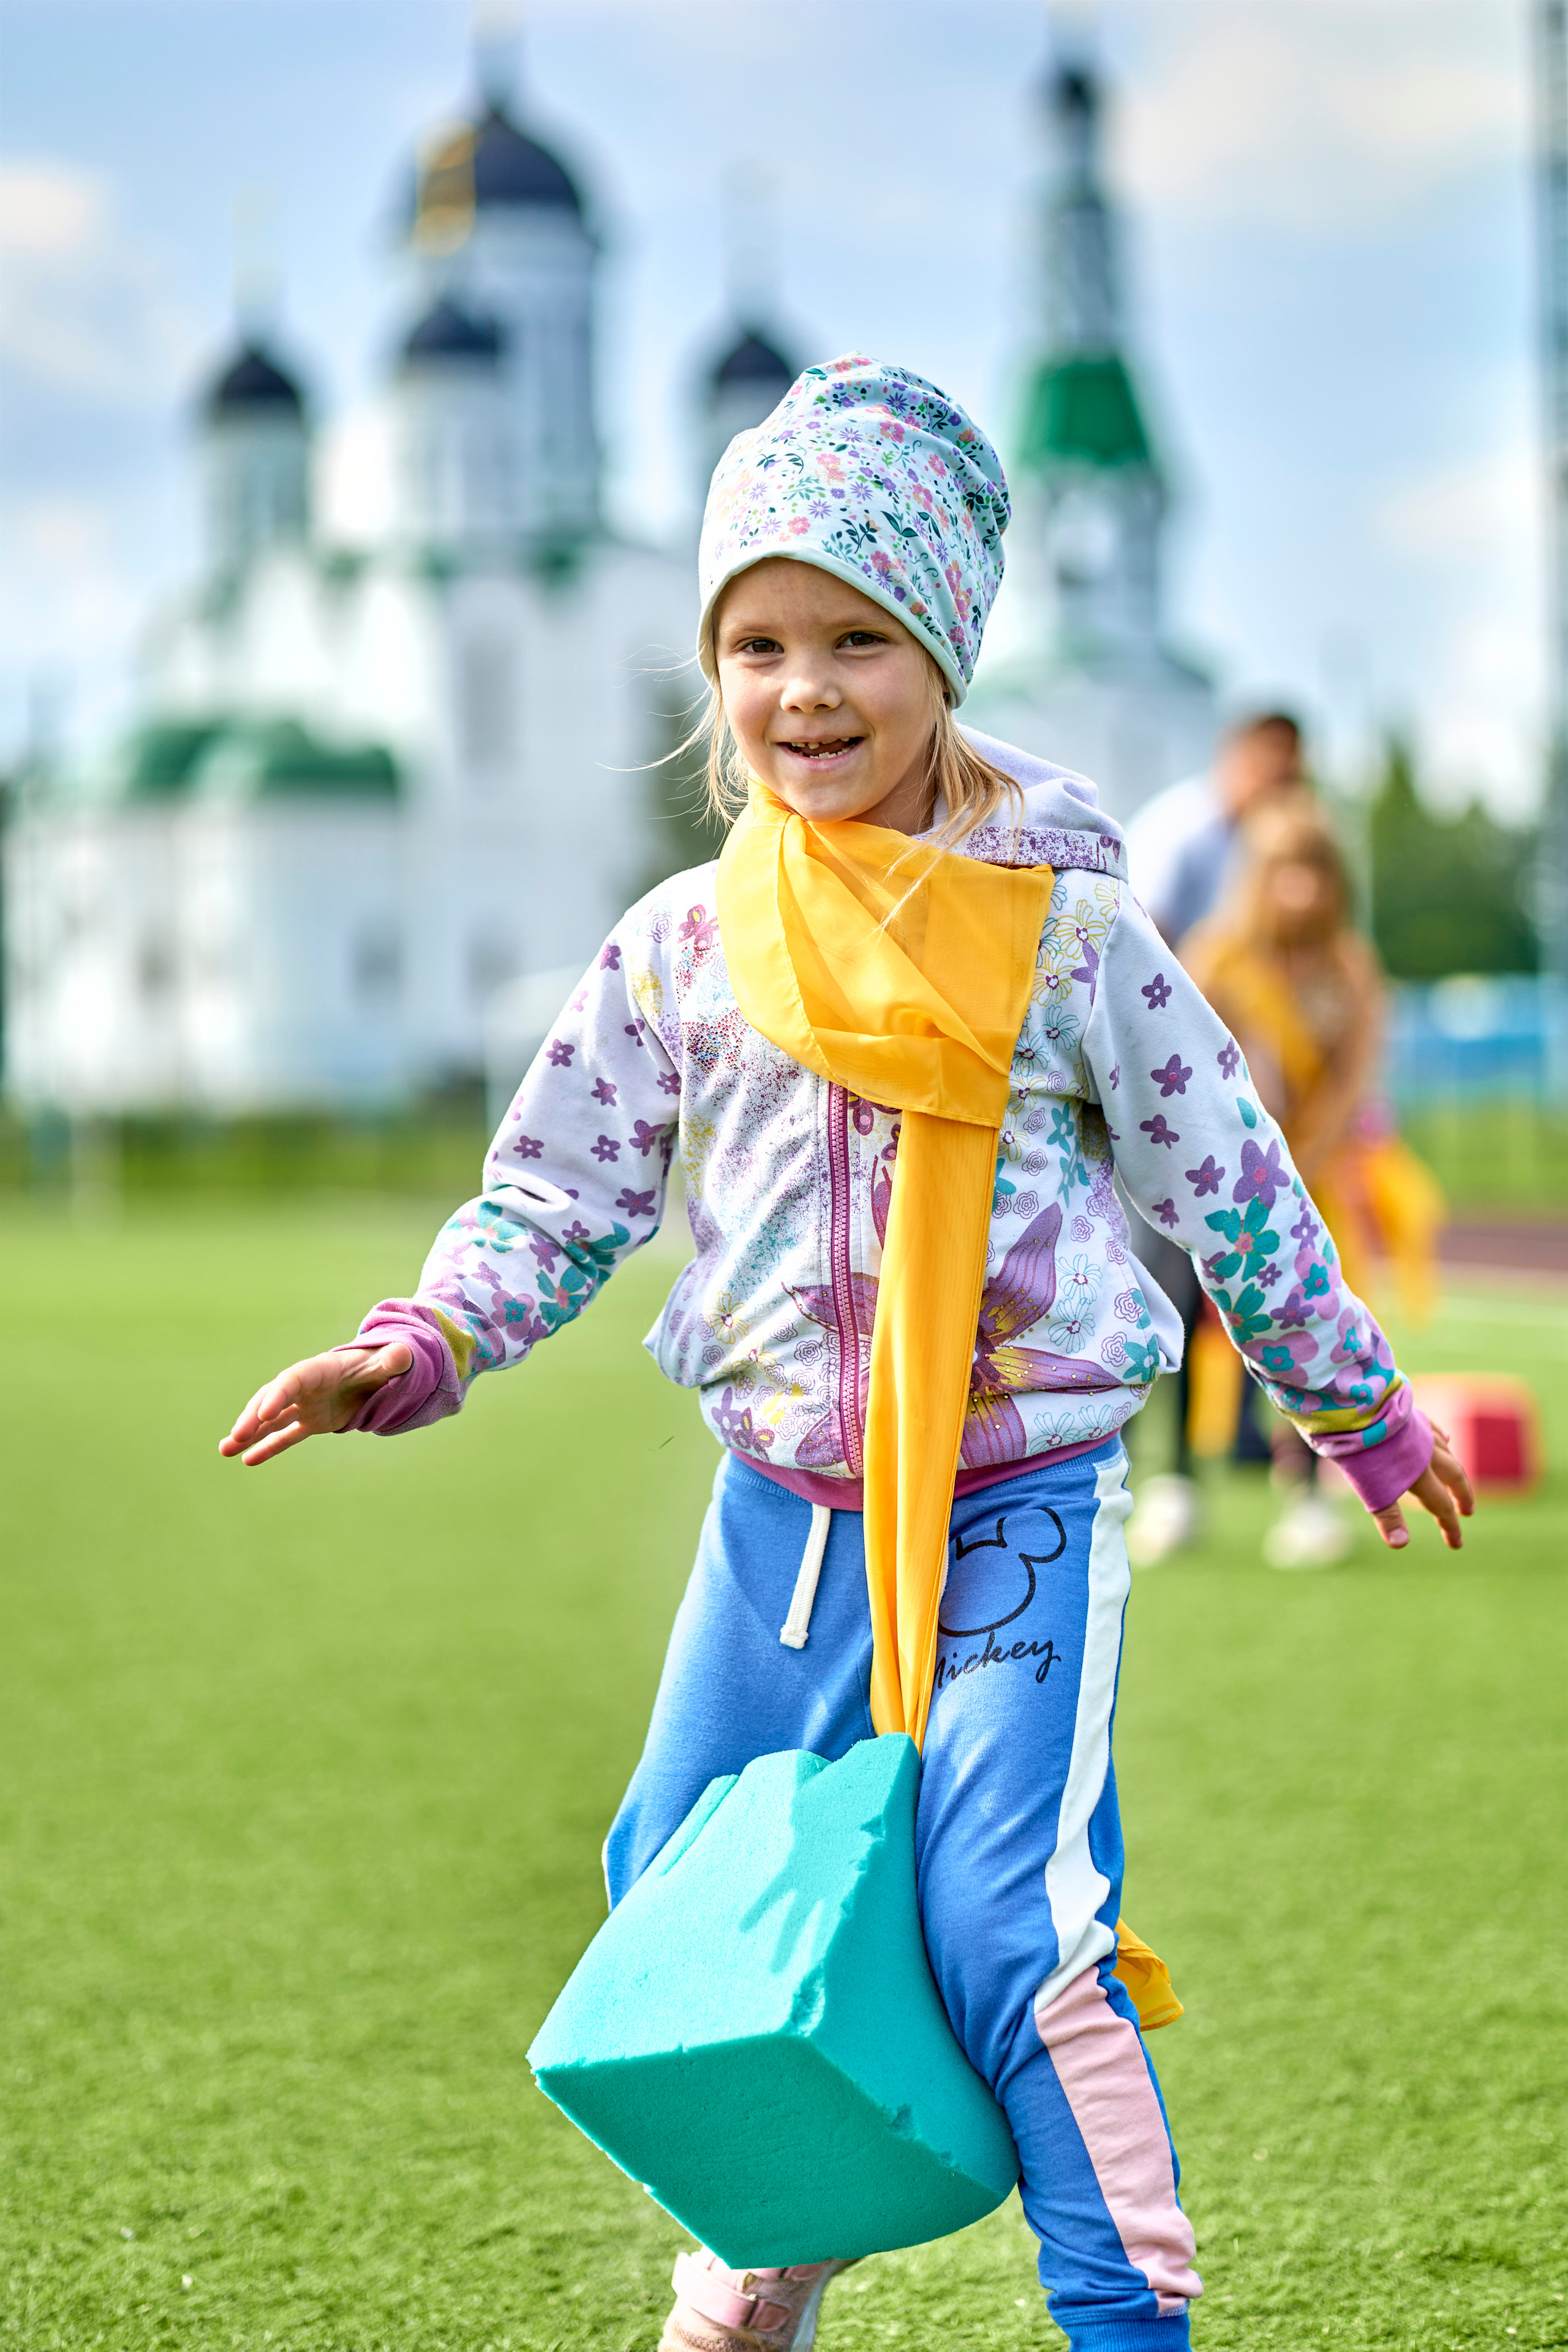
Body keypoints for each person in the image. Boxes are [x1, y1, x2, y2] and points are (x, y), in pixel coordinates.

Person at [219, 359, 1471, 2352]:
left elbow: (1230, 1172)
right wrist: (424, 1337)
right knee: (676, 1894)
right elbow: (556, 1194)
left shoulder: (1061, 935)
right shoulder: (683, 947)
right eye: (760, 642)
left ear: (942, 655)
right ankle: (765, 2261)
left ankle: (1121, 2320)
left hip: (1015, 1521)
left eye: (856, 641)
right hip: (775, 1523)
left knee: (1004, 1928)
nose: (804, 690)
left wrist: (1357, 1407)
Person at [1182, 794, 1445, 1568]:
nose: (1299, 889)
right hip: (1213, 1175)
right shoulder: (1218, 956)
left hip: (1305, 1177)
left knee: (1308, 1317)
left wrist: (1301, 1162)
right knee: (1189, 1317)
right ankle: (1178, 1482)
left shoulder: (1350, 969)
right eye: (1283, 870)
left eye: (1315, 870)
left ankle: (1305, 1489)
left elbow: (1355, 1074)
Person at [1120, 714, 1306, 1566]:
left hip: (1263, 1122)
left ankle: (1274, 1466)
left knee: (1273, 1292)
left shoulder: (1281, 843)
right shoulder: (1182, 834)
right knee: (1175, 1290)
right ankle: (1161, 1473)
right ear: (1241, 758)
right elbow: (1144, 968)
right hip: (1176, 1107)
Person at [1122, 710, 1306, 951]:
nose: (1276, 785)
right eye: (1267, 766)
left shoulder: (1252, 834)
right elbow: (1141, 925)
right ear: (1234, 757)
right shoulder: (1184, 824)